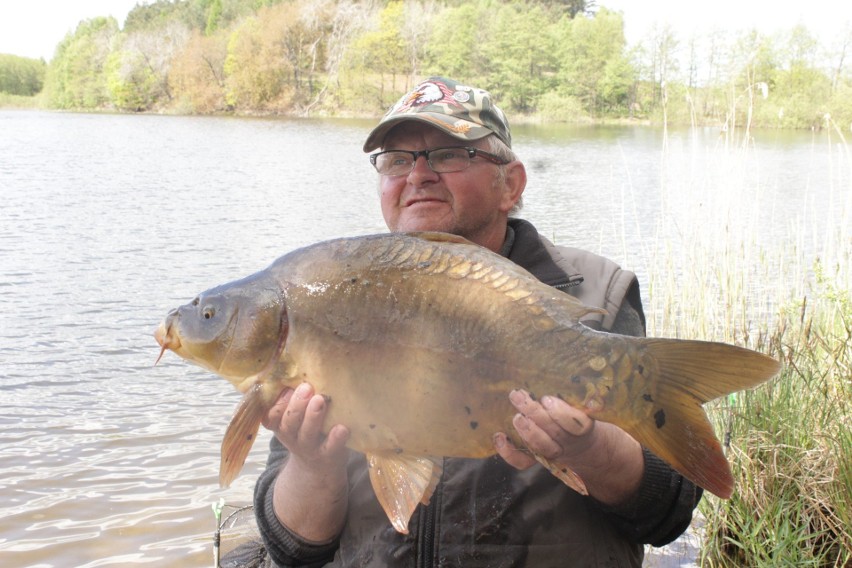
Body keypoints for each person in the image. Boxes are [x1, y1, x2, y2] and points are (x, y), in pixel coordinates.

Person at [249, 77, 701, 567]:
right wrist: (314, 464)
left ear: (511, 184)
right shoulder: (332, 295)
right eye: (397, 159)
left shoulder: (594, 293)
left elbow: (668, 511)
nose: (417, 175)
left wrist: (589, 448)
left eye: (448, 153)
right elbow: (293, 547)